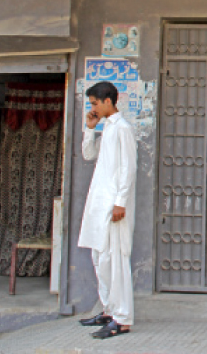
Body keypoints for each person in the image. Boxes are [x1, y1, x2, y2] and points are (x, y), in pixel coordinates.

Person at [77, 81, 137, 339]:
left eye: (94, 103)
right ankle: (108, 310)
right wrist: (89, 129)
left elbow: (129, 168)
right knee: (100, 258)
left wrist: (121, 201)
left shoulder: (123, 129)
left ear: (109, 101)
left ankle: (122, 318)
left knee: (116, 260)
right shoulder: (107, 129)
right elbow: (89, 155)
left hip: (115, 206)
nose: (93, 108)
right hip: (100, 203)